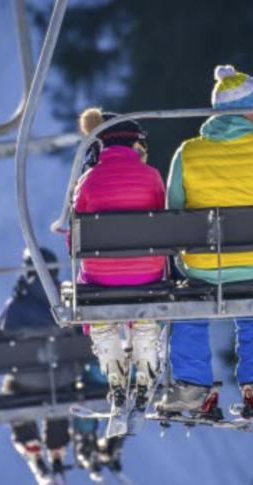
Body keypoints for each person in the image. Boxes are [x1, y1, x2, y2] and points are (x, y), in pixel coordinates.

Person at [157, 65, 253, 418]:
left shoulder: (187, 152)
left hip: (204, 265)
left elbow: (174, 210)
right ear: (248, 111)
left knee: (190, 311)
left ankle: (191, 385)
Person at [72, 107, 167, 411]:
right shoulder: (151, 176)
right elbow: (165, 222)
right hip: (147, 273)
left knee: (92, 296)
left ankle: (113, 369)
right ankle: (145, 358)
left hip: (101, 275)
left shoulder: (88, 180)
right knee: (145, 301)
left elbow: (73, 238)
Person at [0, 248, 83, 485]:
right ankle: (57, 451)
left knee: (11, 391)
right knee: (60, 391)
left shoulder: (17, 305)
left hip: (27, 381)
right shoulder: (69, 298)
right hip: (64, 377)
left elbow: (1, 340)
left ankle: (33, 449)